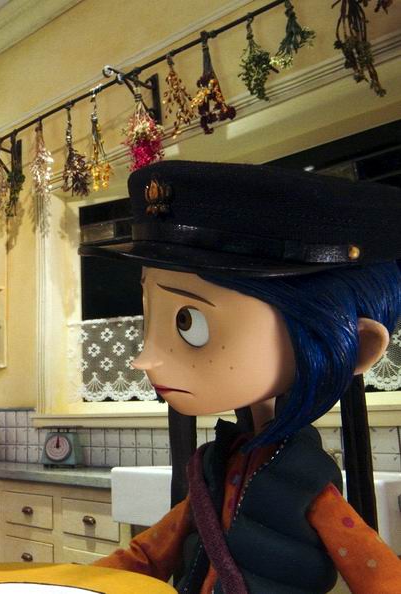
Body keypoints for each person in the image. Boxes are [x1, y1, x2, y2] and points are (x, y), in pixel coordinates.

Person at [80, 160, 401, 593]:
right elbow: (150, 552)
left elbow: (376, 572)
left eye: (188, 322)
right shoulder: (215, 465)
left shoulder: (305, 481)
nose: (145, 358)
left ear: (355, 345)